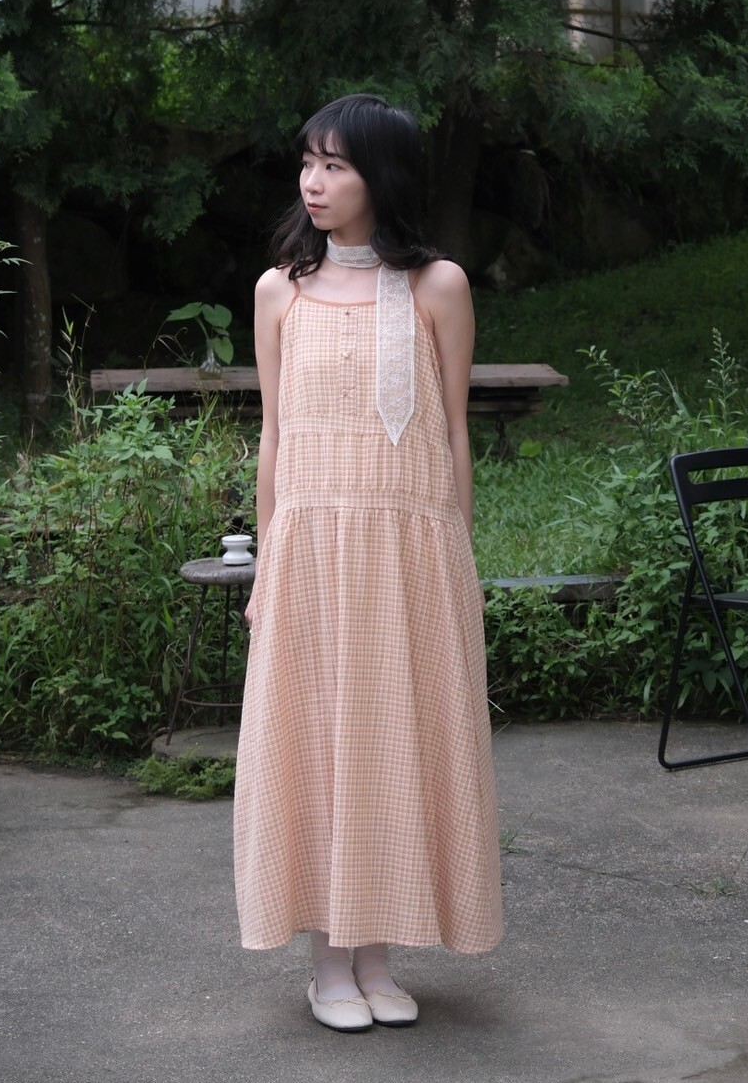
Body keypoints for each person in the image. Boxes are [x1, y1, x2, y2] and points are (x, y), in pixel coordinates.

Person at [233, 93, 502, 1032]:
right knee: (316, 746)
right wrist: (268, 562)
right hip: (311, 554)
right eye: (308, 161)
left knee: (395, 744)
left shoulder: (439, 286)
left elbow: (455, 434)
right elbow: (272, 438)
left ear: (381, 176)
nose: (313, 181)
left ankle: (378, 959)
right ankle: (327, 967)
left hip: (410, 553)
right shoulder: (279, 292)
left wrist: (459, 560)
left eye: (336, 164)